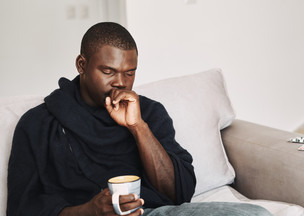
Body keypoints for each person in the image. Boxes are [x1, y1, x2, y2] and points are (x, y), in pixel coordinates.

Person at [7, 22, 272, 216]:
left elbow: (177, 193)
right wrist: (89, 210)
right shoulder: (39, 124)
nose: (120, 83)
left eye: (129, 73)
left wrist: (138, 127)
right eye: (108, 71)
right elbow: (23, 207)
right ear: (81, 65)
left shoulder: (148, 112)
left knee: (256, 214)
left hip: (152, 213)